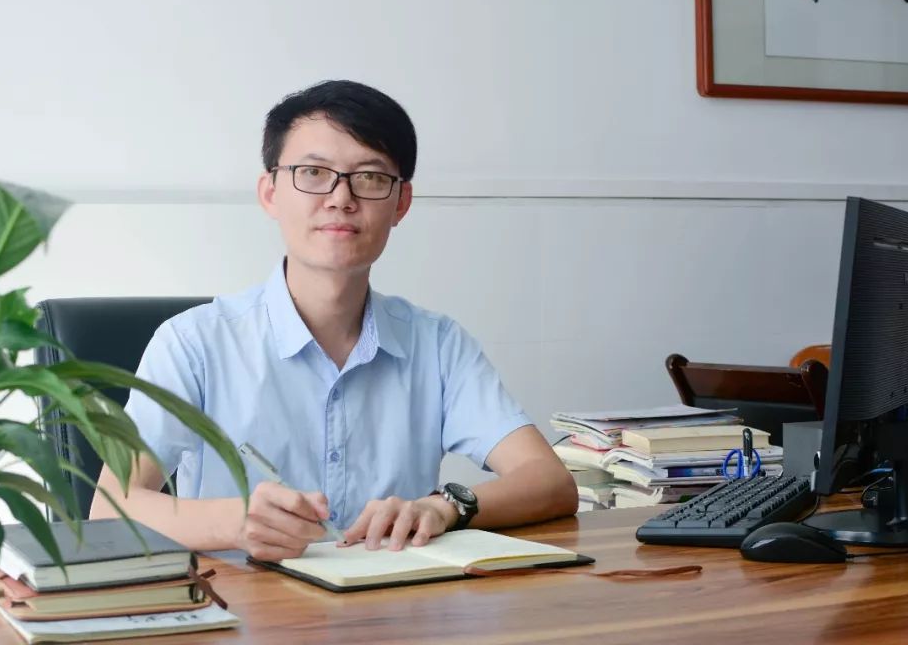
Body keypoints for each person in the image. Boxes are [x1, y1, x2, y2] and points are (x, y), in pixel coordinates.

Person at [89, 80, 577, 561]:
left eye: (370, 177)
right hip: (246, 604)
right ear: (270, 193)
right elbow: (110, 508)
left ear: (401, 203)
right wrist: (235, 522)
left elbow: (550, 481)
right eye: (313, 172)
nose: (341, 198)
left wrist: (445, 506)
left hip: (397, 602)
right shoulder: (194, 343)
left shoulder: (437, 344)